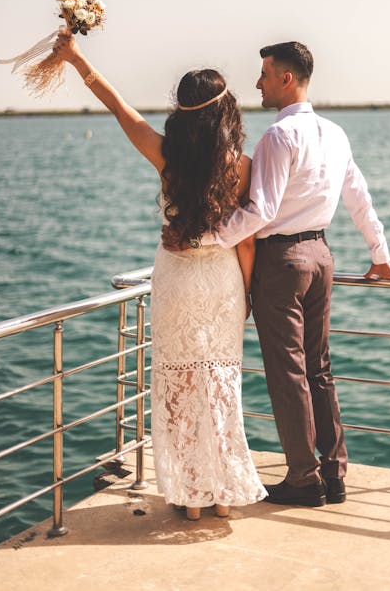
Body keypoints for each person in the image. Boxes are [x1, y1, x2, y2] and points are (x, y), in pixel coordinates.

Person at [165, 41, 390, 507]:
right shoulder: (335, 133)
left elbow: (260, 212)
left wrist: (200, 239)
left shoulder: (277, 138)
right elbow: (359, 196)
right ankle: (334, 475)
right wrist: (379, 253)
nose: (257, 83)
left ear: (285, 79)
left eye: (263, 74)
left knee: (287, 374)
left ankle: (303, 479)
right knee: (319, 369)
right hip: (321, 255)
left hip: (282, 262)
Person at [52, 32, 267, 521]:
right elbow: (249, 239)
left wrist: (76, 58)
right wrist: (249, 293)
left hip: (174, 282)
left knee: (179, 384)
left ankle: (189, 497)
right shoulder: (241, 166)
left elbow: (118, 106)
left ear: (184, 113)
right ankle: (223, 497)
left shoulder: (165, 154)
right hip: (222, 286)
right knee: (219, 385)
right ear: (225, 113)